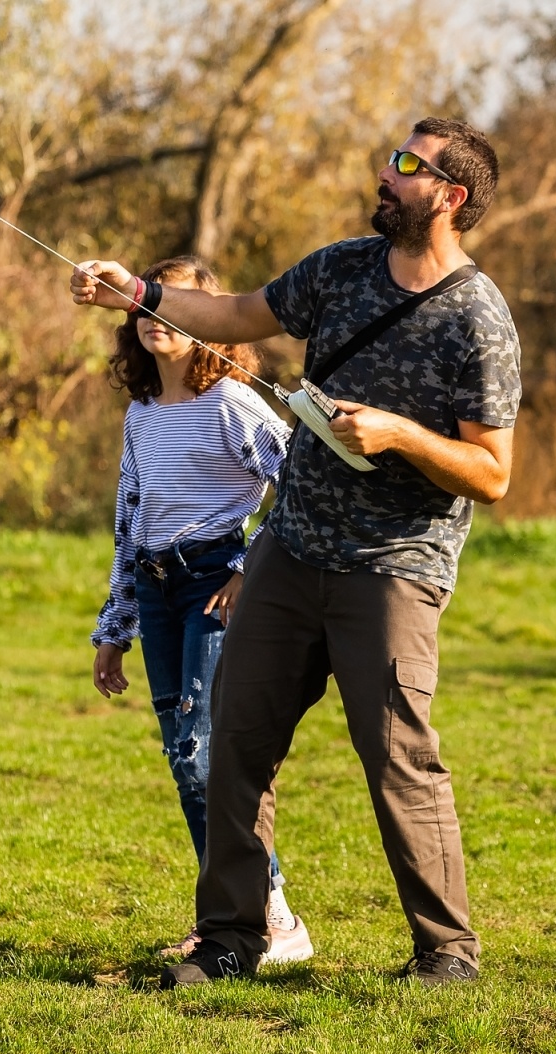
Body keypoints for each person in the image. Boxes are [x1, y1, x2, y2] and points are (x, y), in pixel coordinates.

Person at [71, 117, 521, 989]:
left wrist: (397, 434)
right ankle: (232, 940)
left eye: (407, 166)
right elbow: (234, 313)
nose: (384, 174)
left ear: (451, 197)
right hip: (290, 548)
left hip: (394, 566)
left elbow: (493, 473)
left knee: (398, 760)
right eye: (391, 158)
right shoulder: (342, 267)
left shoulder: (479, 320)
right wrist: (138, 293)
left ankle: (446, 955)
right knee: (235, 743)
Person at [89, 255, 314, 966]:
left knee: (200, 758)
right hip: (155, 594)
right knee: (183, 757)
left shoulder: (236, 405)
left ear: (205, 324)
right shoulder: (142, 413)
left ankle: (266, 916)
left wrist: (250, 568)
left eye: (177, 309)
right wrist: (114, 628)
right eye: (149, 309)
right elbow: (131, 521)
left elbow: (301, 487)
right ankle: (244, 914)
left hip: (214, 584)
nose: (158, 322)